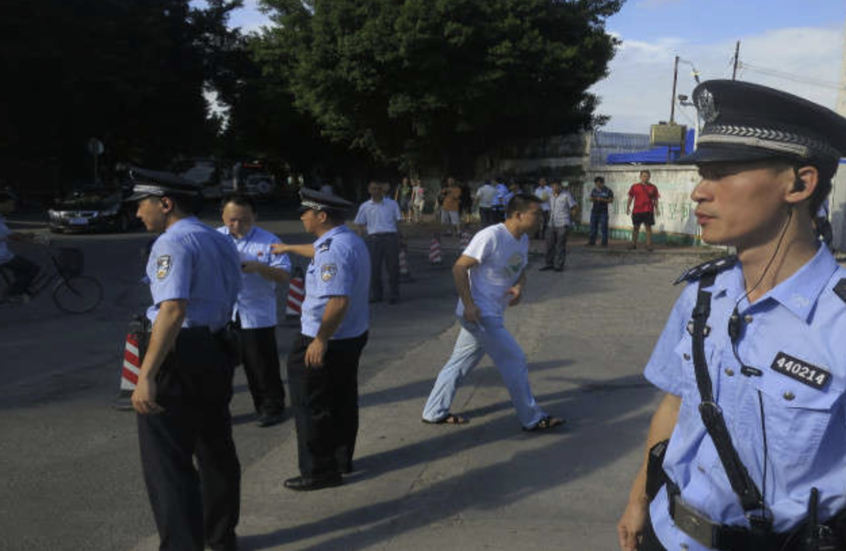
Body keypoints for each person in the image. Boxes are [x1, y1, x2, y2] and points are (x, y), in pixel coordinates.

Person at [616, 80, 846, 551]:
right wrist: (640, 498)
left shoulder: (838, 319)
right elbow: (676, 404)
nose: (700, 192)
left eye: (723, 172)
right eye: (703, 172)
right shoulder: (704, 293)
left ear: (800, 183)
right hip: (669, 531)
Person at [128, 168, 242, 551]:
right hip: (217, 347)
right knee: (215, 449)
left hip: (179, 353)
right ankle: (220, 536)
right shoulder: (219, 239)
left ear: (165, 203)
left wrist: (147, 374)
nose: (138, 213)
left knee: (168, 462)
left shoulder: (171, 242)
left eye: (142, 204)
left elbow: (173, 309)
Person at [421, 194, 564, 431]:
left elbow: (520, 270)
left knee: (459, 364)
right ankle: (532, 418)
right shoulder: (491, 236)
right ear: (518, 215)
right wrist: (468, 304)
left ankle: (434, 411)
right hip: (480, 315)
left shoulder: (522, 240)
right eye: (536, 214)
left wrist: (518, 287)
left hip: (490, 313)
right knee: (515, 359)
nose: (541, 219)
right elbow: (459, 268)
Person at [270, 188, 370, 491]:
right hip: (352, 334)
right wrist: (287, 248)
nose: (302, 216)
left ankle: (318, 470)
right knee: (341, 397)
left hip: (326, 336)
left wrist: (320, 339)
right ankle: (340, 459)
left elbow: (337, 300)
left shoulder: (333, 250)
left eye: (306, 212)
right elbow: (318, 251)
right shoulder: (346, 240)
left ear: (321, 216)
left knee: (309, 402)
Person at [218, 194, 291, 428]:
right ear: (223, 217)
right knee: (218, 367)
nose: (237, 225)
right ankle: (218, 412)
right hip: (221, 314)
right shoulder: (213, 239)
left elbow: (283, 275)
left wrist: (261, 268)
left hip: (256, 314)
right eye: (232, 220)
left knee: (260, 365)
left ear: (254, 217)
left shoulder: (269, 241)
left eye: (244, 220)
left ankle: (270, 407)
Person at [354, 181, 402, 305]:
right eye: (373, 189)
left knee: (393, 268)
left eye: (379, 189)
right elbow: (360, 224)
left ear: (383, 190)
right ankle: (377, 294)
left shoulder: (392, 204)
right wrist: (359, 241)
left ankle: (394, 295)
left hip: (390, 237)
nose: (376, 191)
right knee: (374, 269)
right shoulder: (365, 206)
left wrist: (400, 238)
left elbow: (398, 222)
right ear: (369, 190)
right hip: (373, 239)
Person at [0, 191, 40, 300]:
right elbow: (12, 236)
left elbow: (7, 233)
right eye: (9, 204)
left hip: (4, 253)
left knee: (21, 268)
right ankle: (12, 293)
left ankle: (20, 287)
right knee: (33, 268)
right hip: (2, 257)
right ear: (1, 204)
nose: (12, 207)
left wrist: (26, 235)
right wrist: (32, 241)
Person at [540, 180, 576, 272]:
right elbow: (540, 200)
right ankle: (549, 264)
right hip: (551, 223)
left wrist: (571, 220)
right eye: (552, 186)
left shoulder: (566, 195)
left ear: (560, 186)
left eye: (556, 186)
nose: (554, 188)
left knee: (560, 245)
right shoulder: (550, 195)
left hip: (563, 223)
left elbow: (574, 207)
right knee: (549, 245)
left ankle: (559, 265)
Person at [626, 170, 660, 251]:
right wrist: (628, 207)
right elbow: (630, 197)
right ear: (640, 177)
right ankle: (633, 244)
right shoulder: (635, 186)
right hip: (637, 210)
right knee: (635, 228)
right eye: (644, 176)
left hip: (648, 210)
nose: (646, 178)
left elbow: (655, 199)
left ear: (650, 177)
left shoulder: (653, 187)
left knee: (648, 228)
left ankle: (648, 245)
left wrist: (657, 209)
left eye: (647, 176)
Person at [588, 176, 614, 247]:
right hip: (594, 211)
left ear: (602, 183)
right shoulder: (594, 190)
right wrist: (594, 198)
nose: (598, 185)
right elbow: (590, 198)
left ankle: (604, 243)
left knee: (604, 227)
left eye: (599, 183)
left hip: (603, 212)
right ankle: (592, 242)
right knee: (593, 227)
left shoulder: (608, 190)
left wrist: (602, 200)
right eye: (596, 183)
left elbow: (611, 200)